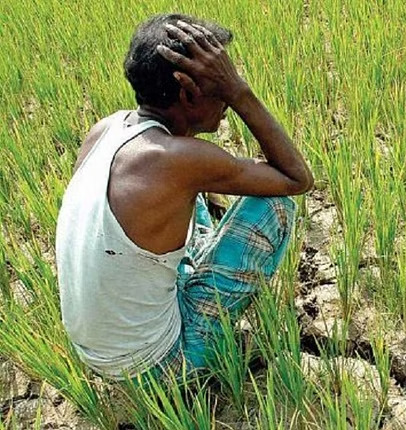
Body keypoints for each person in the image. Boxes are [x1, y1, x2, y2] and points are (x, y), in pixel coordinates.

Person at [55, 13, 313, 382]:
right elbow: (296, 178)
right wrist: (240, 92)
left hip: (97, 353)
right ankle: (203, 352)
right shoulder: (176, 160)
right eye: (220, 84)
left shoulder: (108, 128)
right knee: (273, 206)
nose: (225, 97)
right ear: (188, 92)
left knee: (199, 208)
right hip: (157, 366)